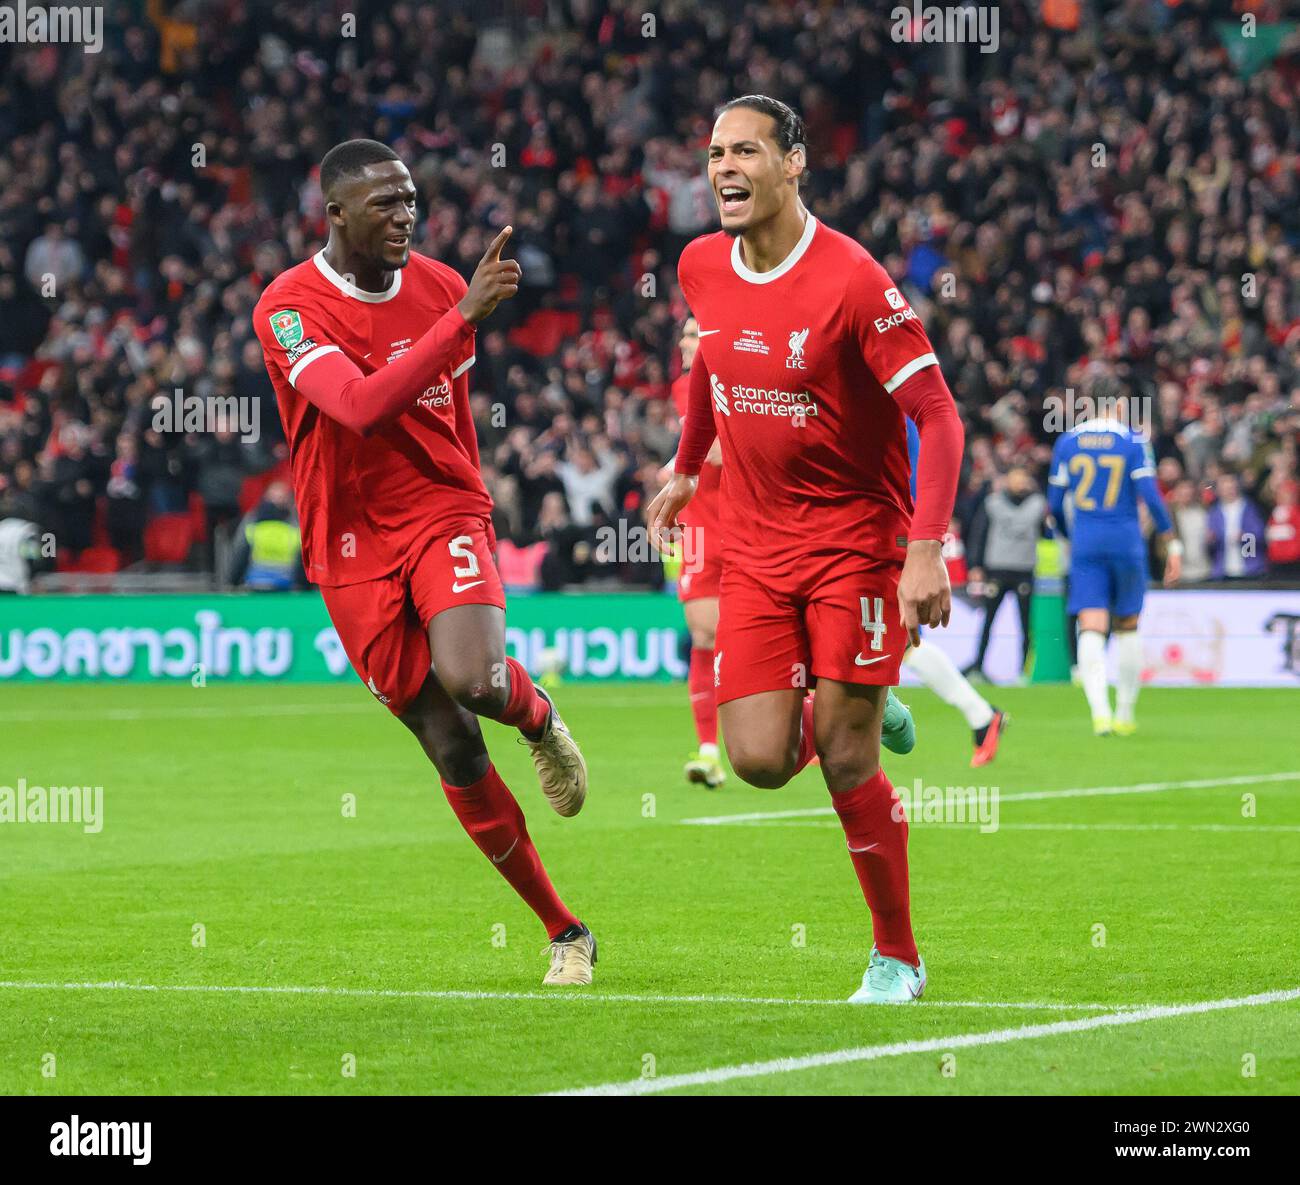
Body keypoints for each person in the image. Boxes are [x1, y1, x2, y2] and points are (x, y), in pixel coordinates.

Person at [254, 139, 595, 986]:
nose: (406, 215)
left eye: (412, 200)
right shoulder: (289, 306)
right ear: (336, 214)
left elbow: (453, 416)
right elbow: (361, 407)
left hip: (441, 510)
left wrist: (470, 497)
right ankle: (566, 929)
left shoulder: (445, 285)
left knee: (475, 678)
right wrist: (464, 318)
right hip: (348, 544)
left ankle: (537, 713)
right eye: (385, 204)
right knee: (453, 748)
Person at [648, 97, 964, 1003]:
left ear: (794, 165)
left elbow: (938, 418)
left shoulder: (854, 281)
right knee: (752, 759)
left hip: (852, 546)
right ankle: (859, 701)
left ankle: (897, 956)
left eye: (745, 150)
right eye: (713, 153)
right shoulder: (699, 264)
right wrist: (685, 462)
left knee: (847, 755)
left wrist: (924, 547)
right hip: (751, 541)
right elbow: (710, 362)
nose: (724, 168)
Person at [1047, 409, 1181, 736]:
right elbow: (1150, 494)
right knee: (1127, 625)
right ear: (1116, 405)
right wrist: (1170, 540)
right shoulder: (1132, 440)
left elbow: (1053, 503)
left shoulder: (1068, 440)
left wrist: (1067, 534)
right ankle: (1124, 713)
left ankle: (1100, 713)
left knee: (1091, 626)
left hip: (1086, 541)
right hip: (1125, 540)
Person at [964, 467, 1048, 681]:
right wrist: (975, 565)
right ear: (1007, 480)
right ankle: (979, 666)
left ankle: (1023, 672)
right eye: (1016, 477)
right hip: (997, 568)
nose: (1020, 482)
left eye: (1024, 477)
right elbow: (979, 533)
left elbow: (1046, 533)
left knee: (1025, 624)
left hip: (1024, 570)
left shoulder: (1038, 504)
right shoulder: (992, 503)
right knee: (988, 621)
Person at [1206, 473, 1267, 580]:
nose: (1229, 491)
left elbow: (1261, 535)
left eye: (1232, 487)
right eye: (1225, 488)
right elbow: (1210, 546)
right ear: (1218, 491)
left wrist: (1246, 537)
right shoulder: (1214, 512)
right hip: (1223, 571)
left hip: (1250, 569)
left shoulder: (1250, 508)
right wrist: (1211, 540)